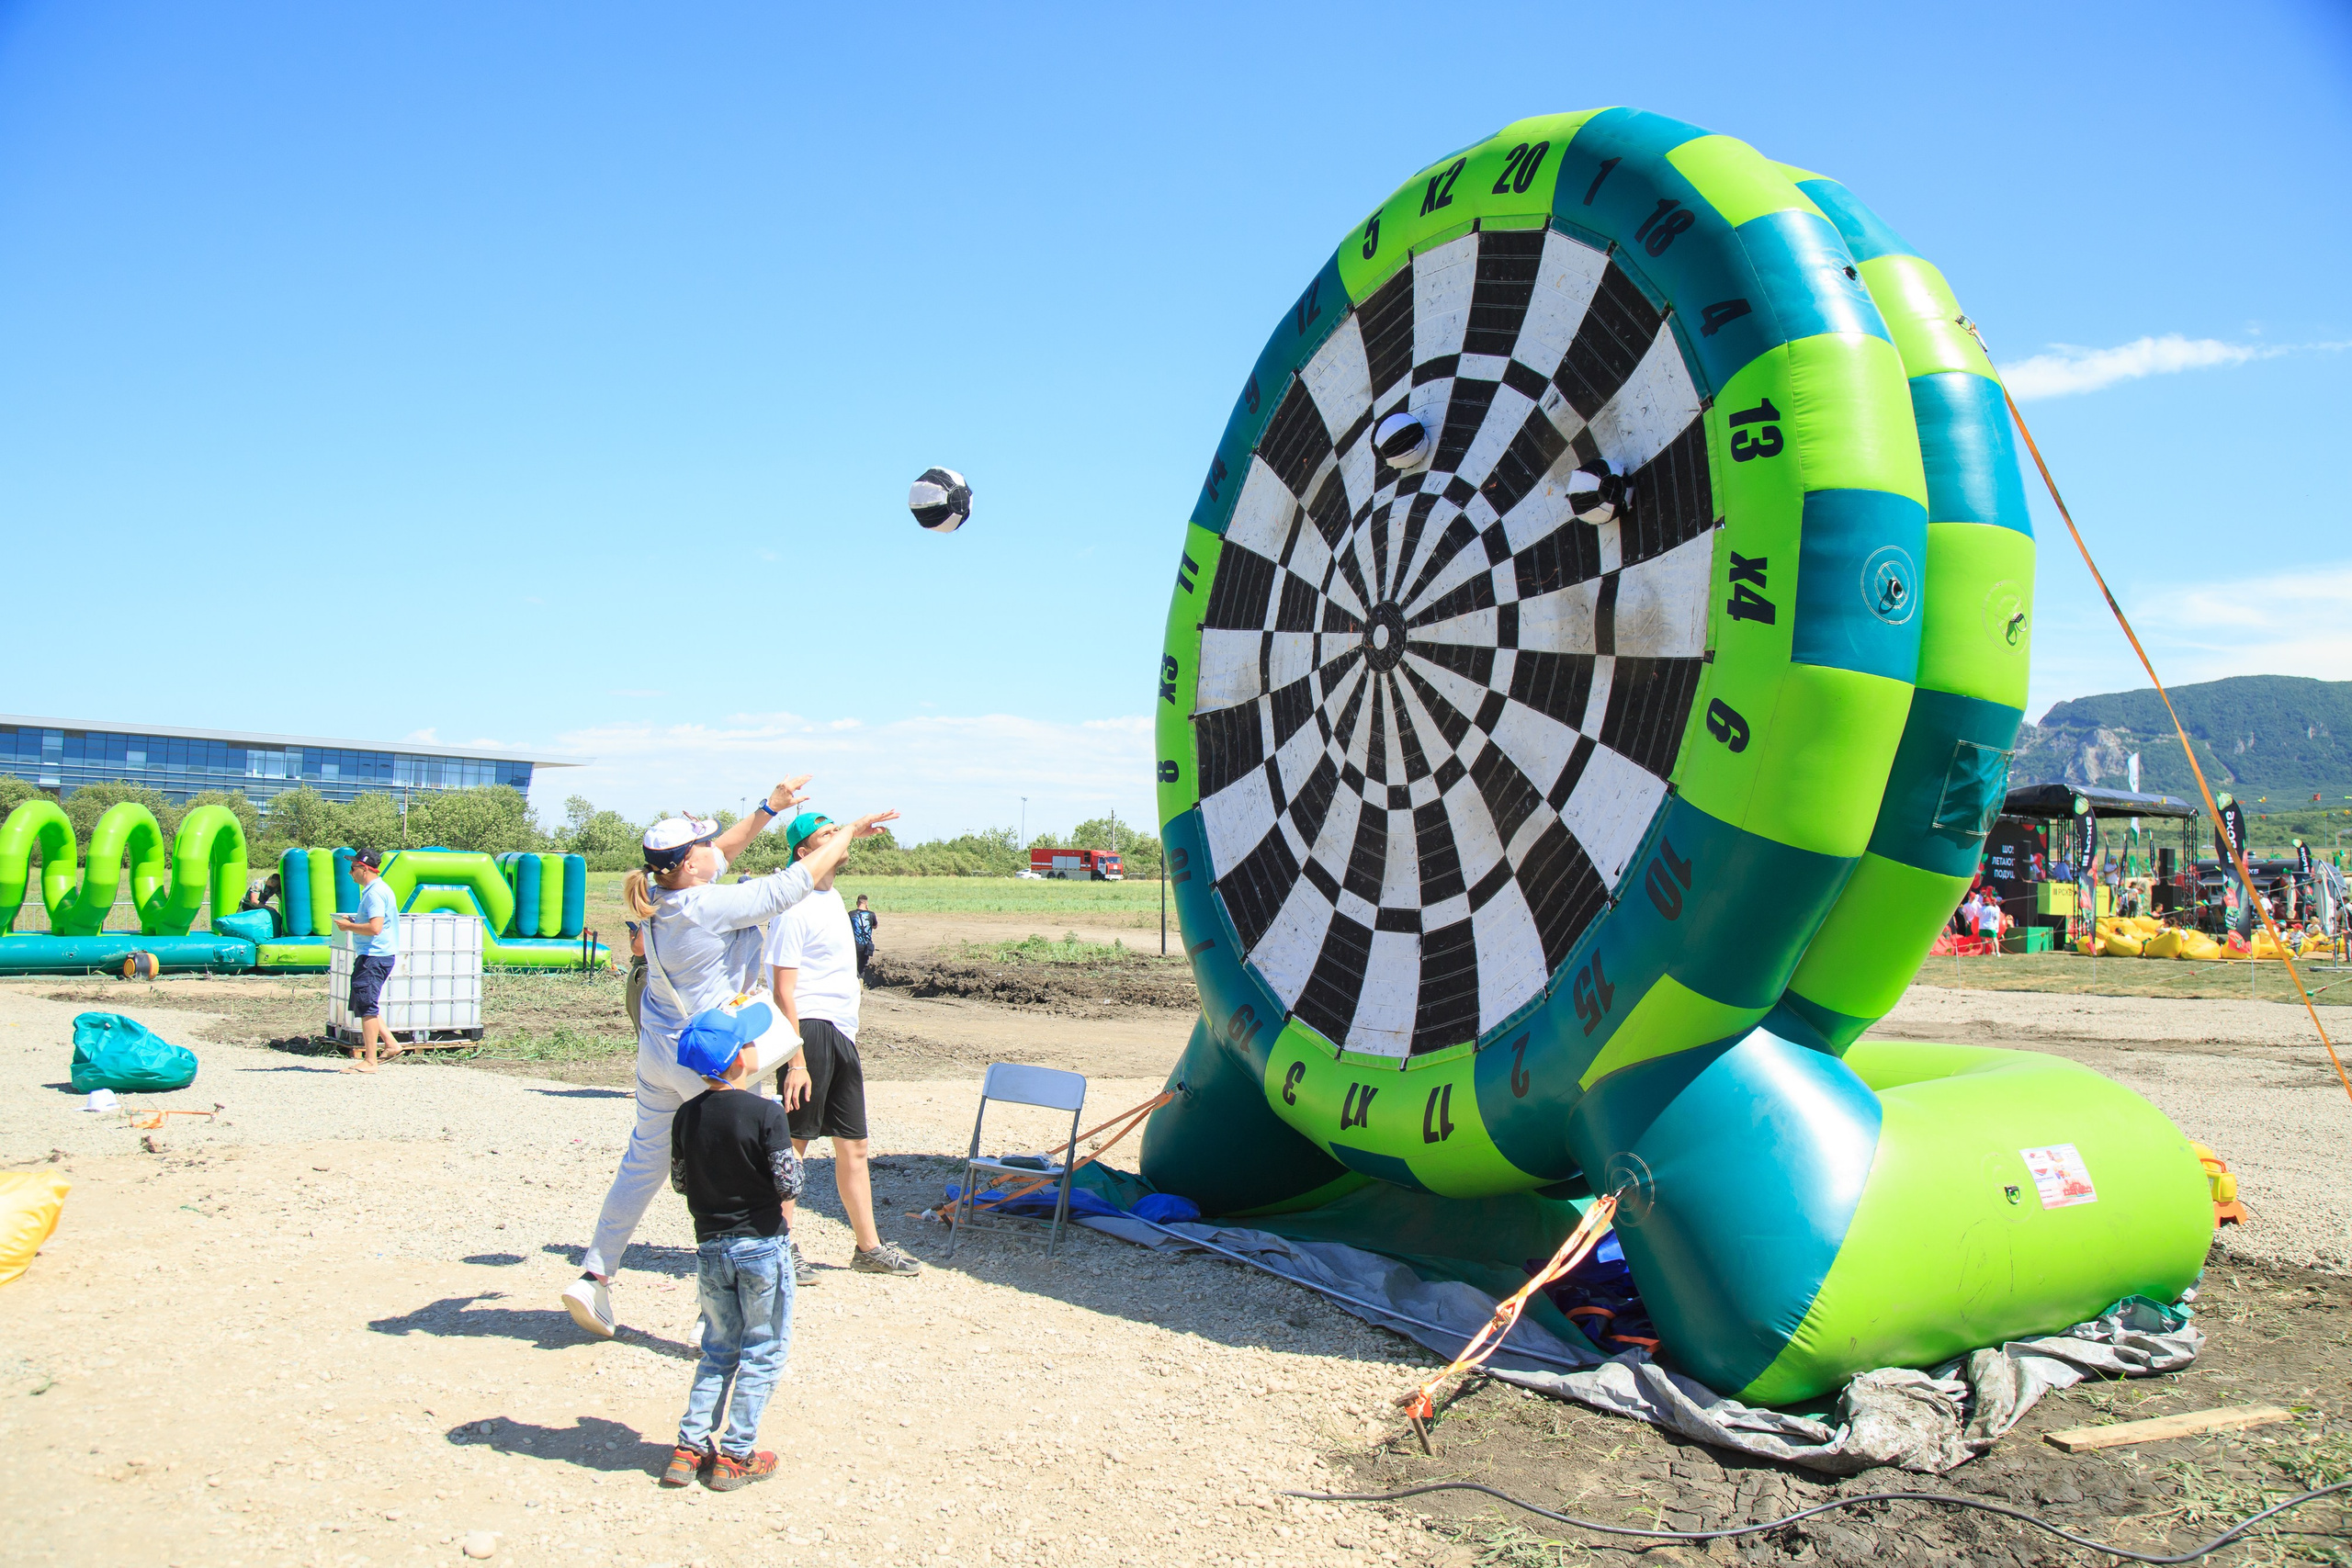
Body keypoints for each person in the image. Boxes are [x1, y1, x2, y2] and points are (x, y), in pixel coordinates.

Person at [560, 781, 897, 1341]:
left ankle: (595, 1275)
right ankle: (712, 1318)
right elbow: (793, 883)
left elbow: (728, 851)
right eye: (703, 847)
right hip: (715, 1056)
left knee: (642, 1163)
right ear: (688, 865)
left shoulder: (664, 895)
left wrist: (769, 808)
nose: (714, 849)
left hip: (660, 1050)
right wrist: (851, 833)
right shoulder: (708, 905)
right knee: (737, 1179)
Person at [767, 812, 921, 1280]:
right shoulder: (793, 905)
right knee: (794, 1144)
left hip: (840, 1032)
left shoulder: (831, 897)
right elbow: (782, 991)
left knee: (854, 1146)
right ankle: (779, 1246)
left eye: (837, 831)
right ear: (803, 853)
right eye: (826, 835)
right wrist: (795, 1059)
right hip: (808, 1031)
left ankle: (868, 1248)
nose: (836, 839)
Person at [662, 1026, 804, 1492]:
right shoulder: (766, 1113)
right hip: (762, 1245)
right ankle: (737, 1454)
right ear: (737, 1059)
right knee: (763, 1349)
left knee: (719, 1348)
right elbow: (790, 1186)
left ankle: (690, 1447)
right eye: (745, 1043)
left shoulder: (685, 1116)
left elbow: (681, 1182)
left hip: (710, 1247)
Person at [331, 849, 400, 1072]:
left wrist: (349, 926)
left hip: (374, 956)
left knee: (367, 1006)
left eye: (353, 868)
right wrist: (354, 921)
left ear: (364, 868)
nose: (350, 873)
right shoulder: (376, 890)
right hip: (375, 955)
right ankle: (390, 1044)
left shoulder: (374, 893)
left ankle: (371, 1061)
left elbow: (375, 928)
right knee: (363, 1001)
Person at [848, 894, 879, 978]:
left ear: (857, 903)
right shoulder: (871, 914)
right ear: (866, 903)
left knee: (853, 963)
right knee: (863, 965)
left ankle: (855, 980)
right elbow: (875, 926)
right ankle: (860, 980)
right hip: (867, 944)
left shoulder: (851, 914)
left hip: (854, 944)